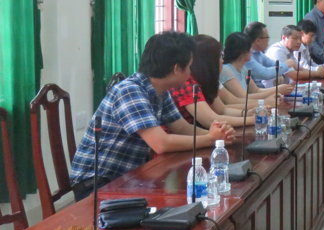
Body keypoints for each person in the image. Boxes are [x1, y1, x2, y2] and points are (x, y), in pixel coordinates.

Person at [68, 31, 229, 199]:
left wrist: (219, 135)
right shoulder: (130, 91)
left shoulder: (160, 90)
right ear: (176, 69)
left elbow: (182, 127)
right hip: (98, 182)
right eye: (188, 67)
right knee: (181, 199)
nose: (190, 72)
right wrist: (210, 139)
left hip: (130, 176)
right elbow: (161, 143)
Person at [172, 35, 254, 129]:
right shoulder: (187, 83)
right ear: (207, 61)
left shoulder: (205, 80)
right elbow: (210, 120)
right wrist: (251, 119)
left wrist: (247, 113)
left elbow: (222, 110)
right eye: (219, 56)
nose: (222, 61)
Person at [219, 32, 291, 107]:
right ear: (242, 52)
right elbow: (243, 97)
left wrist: (276, 90)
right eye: (250, 48)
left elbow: (256, 90)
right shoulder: (226, 70)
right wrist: (276, 91)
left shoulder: (243, 69)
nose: (252, 51)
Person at [244, 21, 298, 88]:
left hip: (260, 90)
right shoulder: (246, 56)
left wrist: (283, 67)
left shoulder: (259, 53)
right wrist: (286, 65)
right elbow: (265, 73)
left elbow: (273, 64)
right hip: (252, 94)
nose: (268, 41)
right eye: (267, 37)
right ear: (258, 40)